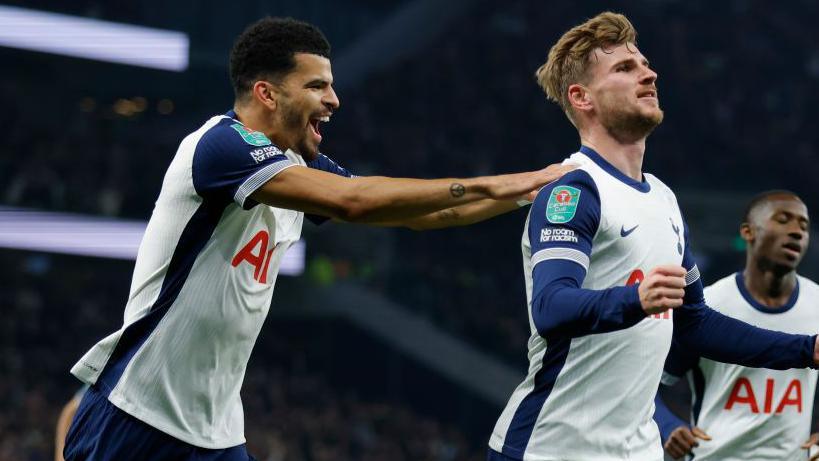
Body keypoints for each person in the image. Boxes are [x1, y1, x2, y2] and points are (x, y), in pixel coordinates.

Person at [62, 17, 572, 461]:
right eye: (317, 86)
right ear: (267, 92)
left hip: (212, 431)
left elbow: (420, 215)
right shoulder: (221, 145)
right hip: (135, 411)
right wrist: (498, 181)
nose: (334, 99)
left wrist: (529, 192)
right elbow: (355, 200)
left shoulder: (297, 165)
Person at [487, 12, 819, 461]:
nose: (649, 73)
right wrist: (634, 299)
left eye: (644, 64)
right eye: (625, 68)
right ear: (581, 97)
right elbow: (549, 307)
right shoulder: (574, 189)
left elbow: (696, 324)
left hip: (638, 451)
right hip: (553, 447)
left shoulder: (663, 198)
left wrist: (806, 350)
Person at [653, 190, 819, 460]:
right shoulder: (708, 308)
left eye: (804, 226)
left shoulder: (817, 304)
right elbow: (648, 385)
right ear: (748, 231)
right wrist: (669, 425)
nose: (796, 232)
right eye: (783, 220)